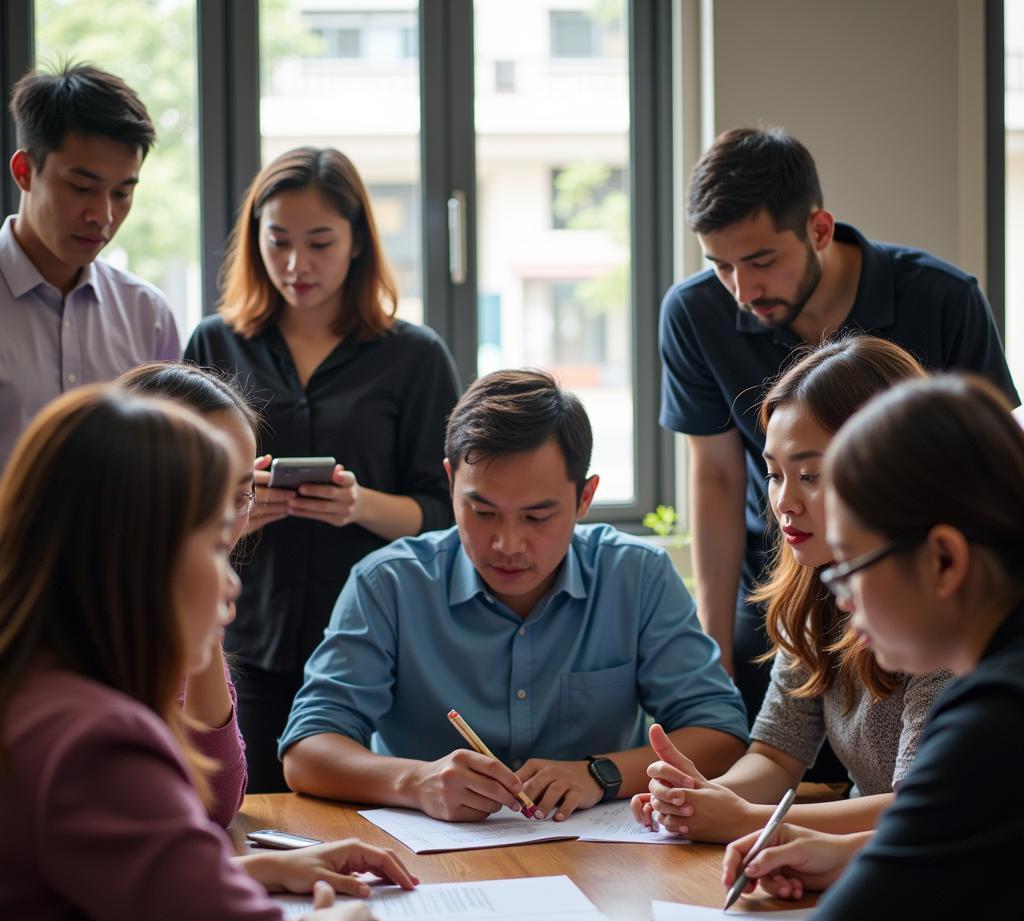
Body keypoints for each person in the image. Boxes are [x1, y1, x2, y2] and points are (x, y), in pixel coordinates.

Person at [0, 386, 419, 921]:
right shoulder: (93, 742)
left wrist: (251, 873)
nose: (231, 582)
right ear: (141, 554)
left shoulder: (37, 687)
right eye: (216, 543)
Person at [659, 126, 1019, 734]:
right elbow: (717, 478)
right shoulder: (695, 313)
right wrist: (712, 647)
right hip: (788, 587)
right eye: (721, 266)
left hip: (912, 585)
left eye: (762, 260)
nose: (743, 291)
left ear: (819, 230)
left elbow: (994, 468)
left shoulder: (942, 298)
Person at [280, 369, 749, 823]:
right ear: (450, 484)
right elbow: (306, 751)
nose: (507, 544)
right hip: (435, 874)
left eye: (537, 517)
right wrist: (414, 781)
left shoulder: (636, 576)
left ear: (585, 498)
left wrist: (599, 773)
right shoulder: (389, 584)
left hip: (600, 865)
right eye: (482, 511)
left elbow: (721, 733)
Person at [719, 374, 1024, 921]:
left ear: (944, 559)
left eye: (852, 562)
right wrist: (853, 853)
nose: (840, 595)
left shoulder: (996, 720)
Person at [186, 146, 459, 792]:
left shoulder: (414, 357)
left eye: (319, 243)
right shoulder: (213, 344)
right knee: (244, 814)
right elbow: (174, 515)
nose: (295, 264)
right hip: (244, 643)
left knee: (380, 835)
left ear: (359, 240)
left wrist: (359, 505)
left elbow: (450, 513)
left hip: (378, 649)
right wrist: (238, 517)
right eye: (277, 241)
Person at [632, 335, 950, 843]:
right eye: (774, 475)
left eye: (810, 475)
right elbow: (777, 754)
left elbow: (925, 811)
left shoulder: (947, 611)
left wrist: (744, 820)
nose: (784, 502)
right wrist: (710, 798)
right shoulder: (813, 590)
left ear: (892, 469)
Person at [1, 62, 180, 469]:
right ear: (25, 172)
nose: (103, 215)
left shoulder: (147, 315)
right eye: (82, 188)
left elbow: (170, 468)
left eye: (122, 193)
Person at [117, 361, 261, 825]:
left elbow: (215, 803)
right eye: (205, 493)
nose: (227, 522)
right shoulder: (76, 618)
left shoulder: (181, 605)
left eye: (241, 496)